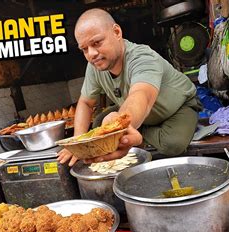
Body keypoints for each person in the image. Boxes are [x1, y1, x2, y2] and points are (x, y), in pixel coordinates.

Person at [58, 8, 201, 166]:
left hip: (176, 108)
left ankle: (139, 132)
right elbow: (85, 102)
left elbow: (141, 95)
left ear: (117, 32)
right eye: (84, 49)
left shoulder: (143, 58)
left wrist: (120, 127)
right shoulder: (94, 66)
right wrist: (78, 143)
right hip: (139, 114)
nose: (91, 54)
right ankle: (135, 129)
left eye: (97, 43)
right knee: (99, 123)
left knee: (173, 144)